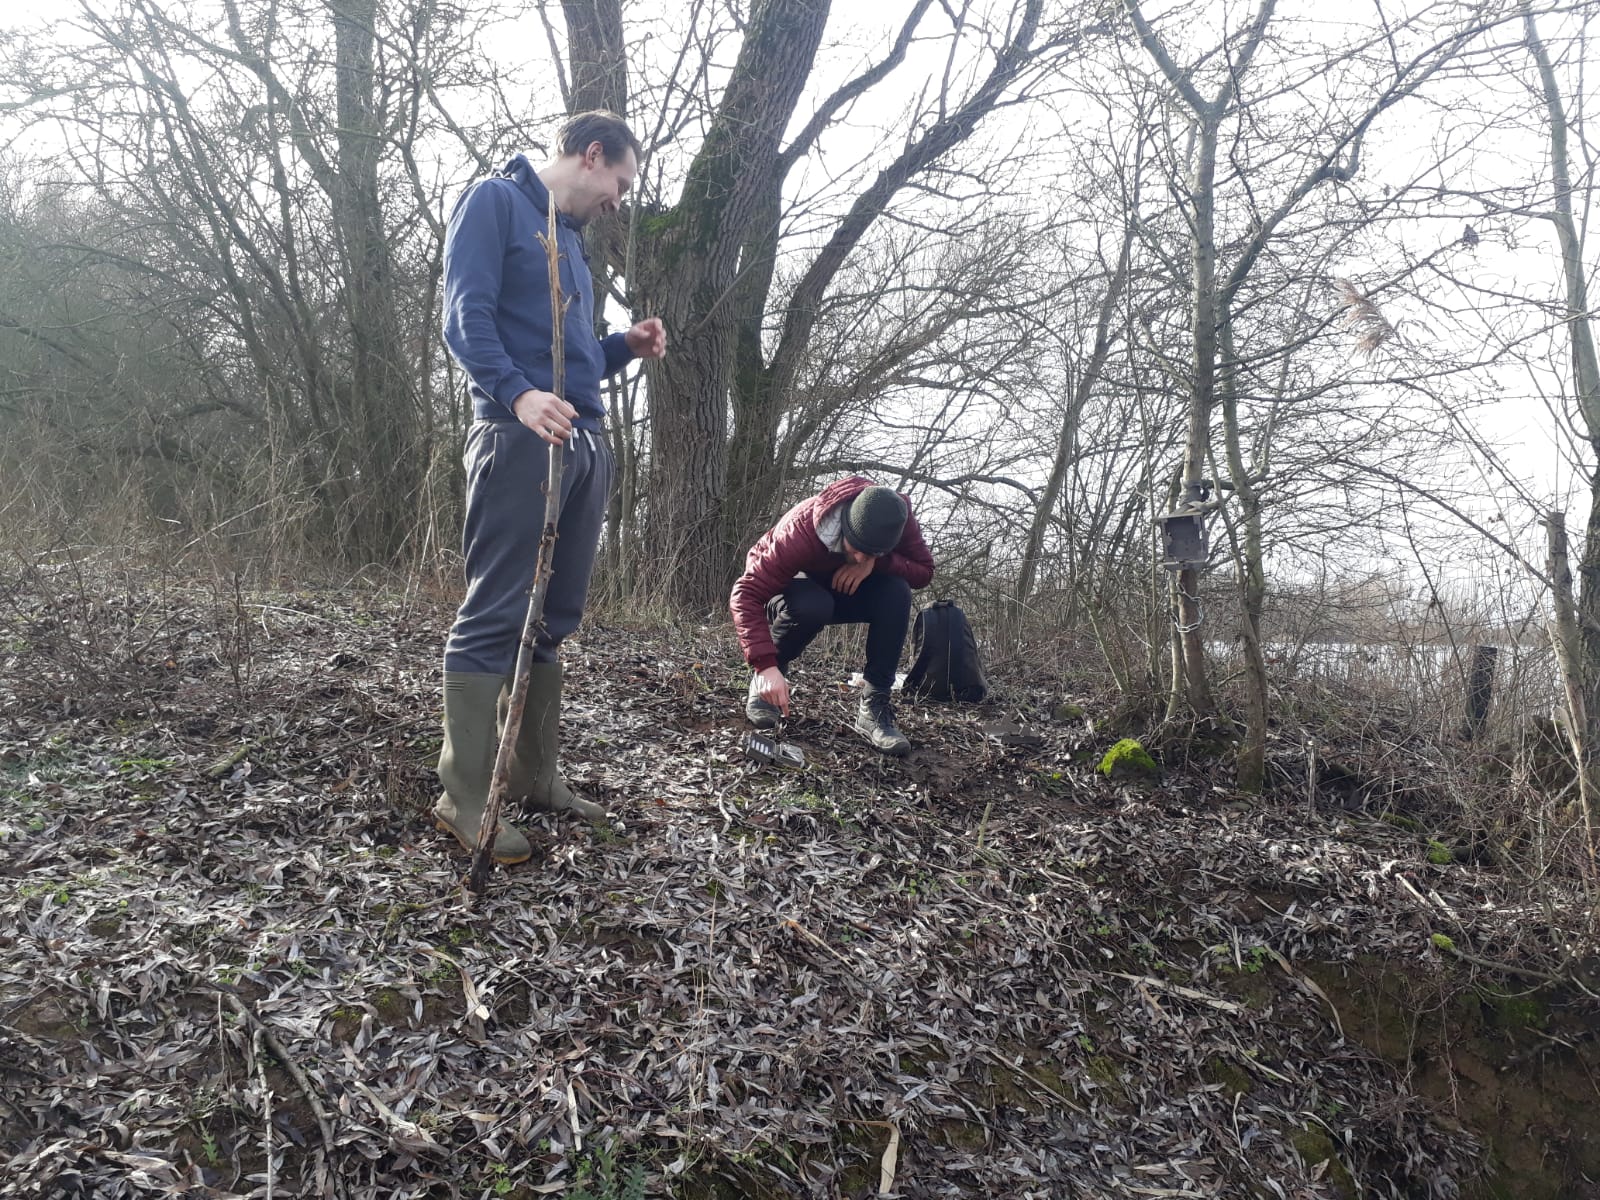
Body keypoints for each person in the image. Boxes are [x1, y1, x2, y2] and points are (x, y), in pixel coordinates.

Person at [434, 111, 667, 864]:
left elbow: (571, 361)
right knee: (497, 610)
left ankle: (533, 776)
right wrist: (516, 395)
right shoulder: (493, 203)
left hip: (584, 444)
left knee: (554, 616)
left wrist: (620, 349)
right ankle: (464, 795)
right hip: (516, 437)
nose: (618, 201)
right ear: (591, 155)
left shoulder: (570, 242)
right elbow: (463, 317)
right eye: (620, 183)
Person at [730, 477, 935, 757]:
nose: (861, 558)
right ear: (846, 525)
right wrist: (764, 666)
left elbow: (924, 572)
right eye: (857, 549)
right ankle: (765, 682)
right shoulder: (801, 531)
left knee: (897, 592)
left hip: (836, 584)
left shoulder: (896, 515)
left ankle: (874, 705)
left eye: (871, 553)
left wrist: (878, 562)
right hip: (789, 587)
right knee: (815, 605)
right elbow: (745, 592)